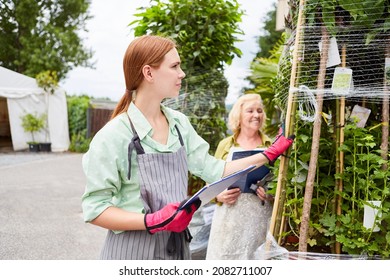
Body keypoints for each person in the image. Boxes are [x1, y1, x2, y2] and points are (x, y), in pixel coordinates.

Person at [81, 35, 294, 260]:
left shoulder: (179, 124)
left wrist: (267, 154)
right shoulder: (113, 135)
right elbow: (96, 209)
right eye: (174, 66)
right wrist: (152, 221)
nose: (182, 73)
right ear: (148, 73)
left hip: (176, 249)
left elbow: (216, 170)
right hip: (131, 252)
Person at [206, 94, 278, 260]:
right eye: (250, 111)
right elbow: (209, 179)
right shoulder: (226, 145)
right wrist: (218, 195)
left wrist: (270, 195)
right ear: (239, 115)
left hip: (258, 217)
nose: (256, 115)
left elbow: (279, 183)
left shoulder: (271, 146)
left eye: (259, 111)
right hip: (228, 219)